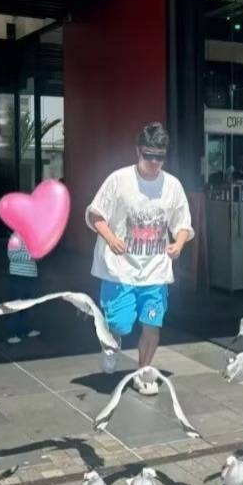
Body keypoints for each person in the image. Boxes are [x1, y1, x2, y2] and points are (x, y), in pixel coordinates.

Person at [86, 122, 194, 396]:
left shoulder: (172, 186)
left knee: (152, 323)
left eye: (160, 156)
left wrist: (178, 245)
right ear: (138, 151)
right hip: (119, 270)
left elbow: (183, 224)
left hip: (155, 271)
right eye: (148, 155)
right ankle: (111, 342)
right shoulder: (118, 180)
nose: (154, 162)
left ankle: (144, 371)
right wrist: (111, 239)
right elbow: (96, 215)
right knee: (120, 323)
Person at [5, 232, 40, 344]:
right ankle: (11, 333)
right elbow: (12, 255)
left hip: (30, 274)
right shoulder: (16, 237)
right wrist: (31, 256)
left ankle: (24, 330)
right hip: (18, 276)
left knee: (26, 305)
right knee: (16, 305)